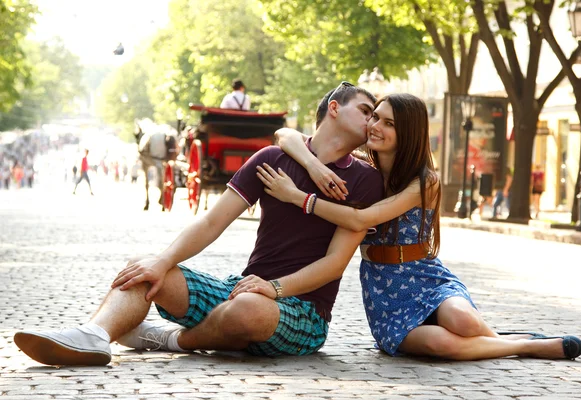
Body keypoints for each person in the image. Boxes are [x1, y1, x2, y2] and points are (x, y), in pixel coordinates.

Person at [13, 84, 383, 366]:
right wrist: (162, 261)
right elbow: (211, 222)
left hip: (302, 311)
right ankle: (93, 335)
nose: (372, 121)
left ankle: (175, 340)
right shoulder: (273, 157)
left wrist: (273, 288)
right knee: (143, 268)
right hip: (242, 289)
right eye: (366, 110)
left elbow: (335, 263)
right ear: (333, 108)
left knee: (246, 310)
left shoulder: (367, 181)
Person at [256, 93, 581, 361]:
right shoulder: (363, 173)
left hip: (426, 277)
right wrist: (314, 167)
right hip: (385, 288)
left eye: (389, 123)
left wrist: (299, 197)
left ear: (408, 133)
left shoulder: (424, 182)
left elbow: (359, 220)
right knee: (440, 345)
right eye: (375, 118)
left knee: (463, 320)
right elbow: (285, 135)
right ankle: (524, 345)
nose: (375, 126)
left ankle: (506, 340)